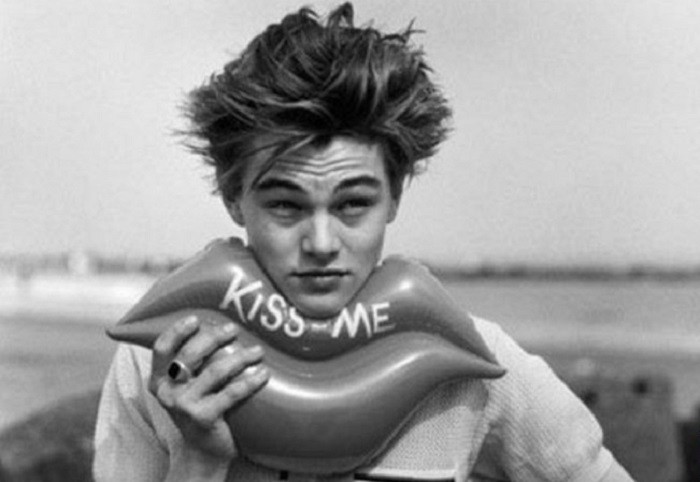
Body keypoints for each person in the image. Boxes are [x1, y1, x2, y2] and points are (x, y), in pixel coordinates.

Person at [93, 3, 634, 481]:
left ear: (394, 196)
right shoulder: (155, 368)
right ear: (235, 199)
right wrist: (198, 461)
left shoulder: (475, 365)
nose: (321, 242)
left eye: (353, 203)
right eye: (285, 205)